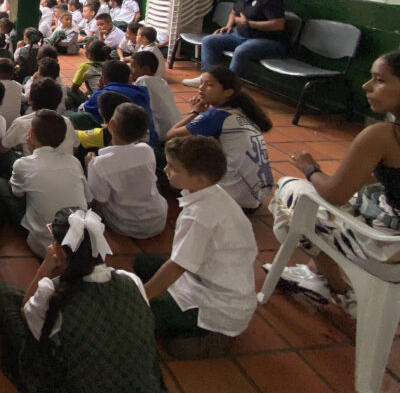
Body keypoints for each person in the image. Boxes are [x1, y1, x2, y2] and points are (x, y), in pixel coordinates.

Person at [267, 51, 400, 315]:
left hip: (388, 249)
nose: (366, 86)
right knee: (359, 196)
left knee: (292, 191)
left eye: (379, 80)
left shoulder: (382, 135)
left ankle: (339, 288)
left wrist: (309, 167)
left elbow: (332, 195)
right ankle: (318, 271)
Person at [0, 208, 162, 393]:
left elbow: (25, 311)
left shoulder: (52, 291)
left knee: (5, 294)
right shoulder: (131, 281)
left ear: (58, 250)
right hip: (144, 386)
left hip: (76, 384)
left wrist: (46, 267)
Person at [135, 135, 258, 358]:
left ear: (200, 179)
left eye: (173, 168)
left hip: (219, 304)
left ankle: (213, 336)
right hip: (202, 278)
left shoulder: (201, 216)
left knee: (139, 317)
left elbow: (176, 267)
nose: (165, 169)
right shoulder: (210, 193)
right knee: (143, 264)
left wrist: (140, 298)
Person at [167, 66, 273, 211]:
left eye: (209, 85)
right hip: (256, 197)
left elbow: (171, 134)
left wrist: (194, 112)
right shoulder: (242, 111)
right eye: (201, 82)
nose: (201, 88)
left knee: (169, 167)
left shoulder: (216, 116)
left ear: (228, 92)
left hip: (234, 200)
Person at [0, 110, 88, 257]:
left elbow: (17, 193)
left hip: (44, 245)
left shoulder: (22, 164)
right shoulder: (74, 162)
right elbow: (88, 199)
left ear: (31, 133)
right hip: (79, 245)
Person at [183, 0, 287, 85]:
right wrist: (228, 26)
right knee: (209, 40)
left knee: (241, 51)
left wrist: (250, 23)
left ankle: (228, 87)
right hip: (239, 36)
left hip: (266, 41)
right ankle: (207, 80)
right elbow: (233, 13)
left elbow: (278, 25)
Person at [86, 103, 168, 239]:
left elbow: (102, 202)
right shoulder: (147, 151)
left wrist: (90, 166)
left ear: (110, 125)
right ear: (143, 133)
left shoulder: (99, 164)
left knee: (92, 200)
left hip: (124, 225)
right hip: (158, 220)